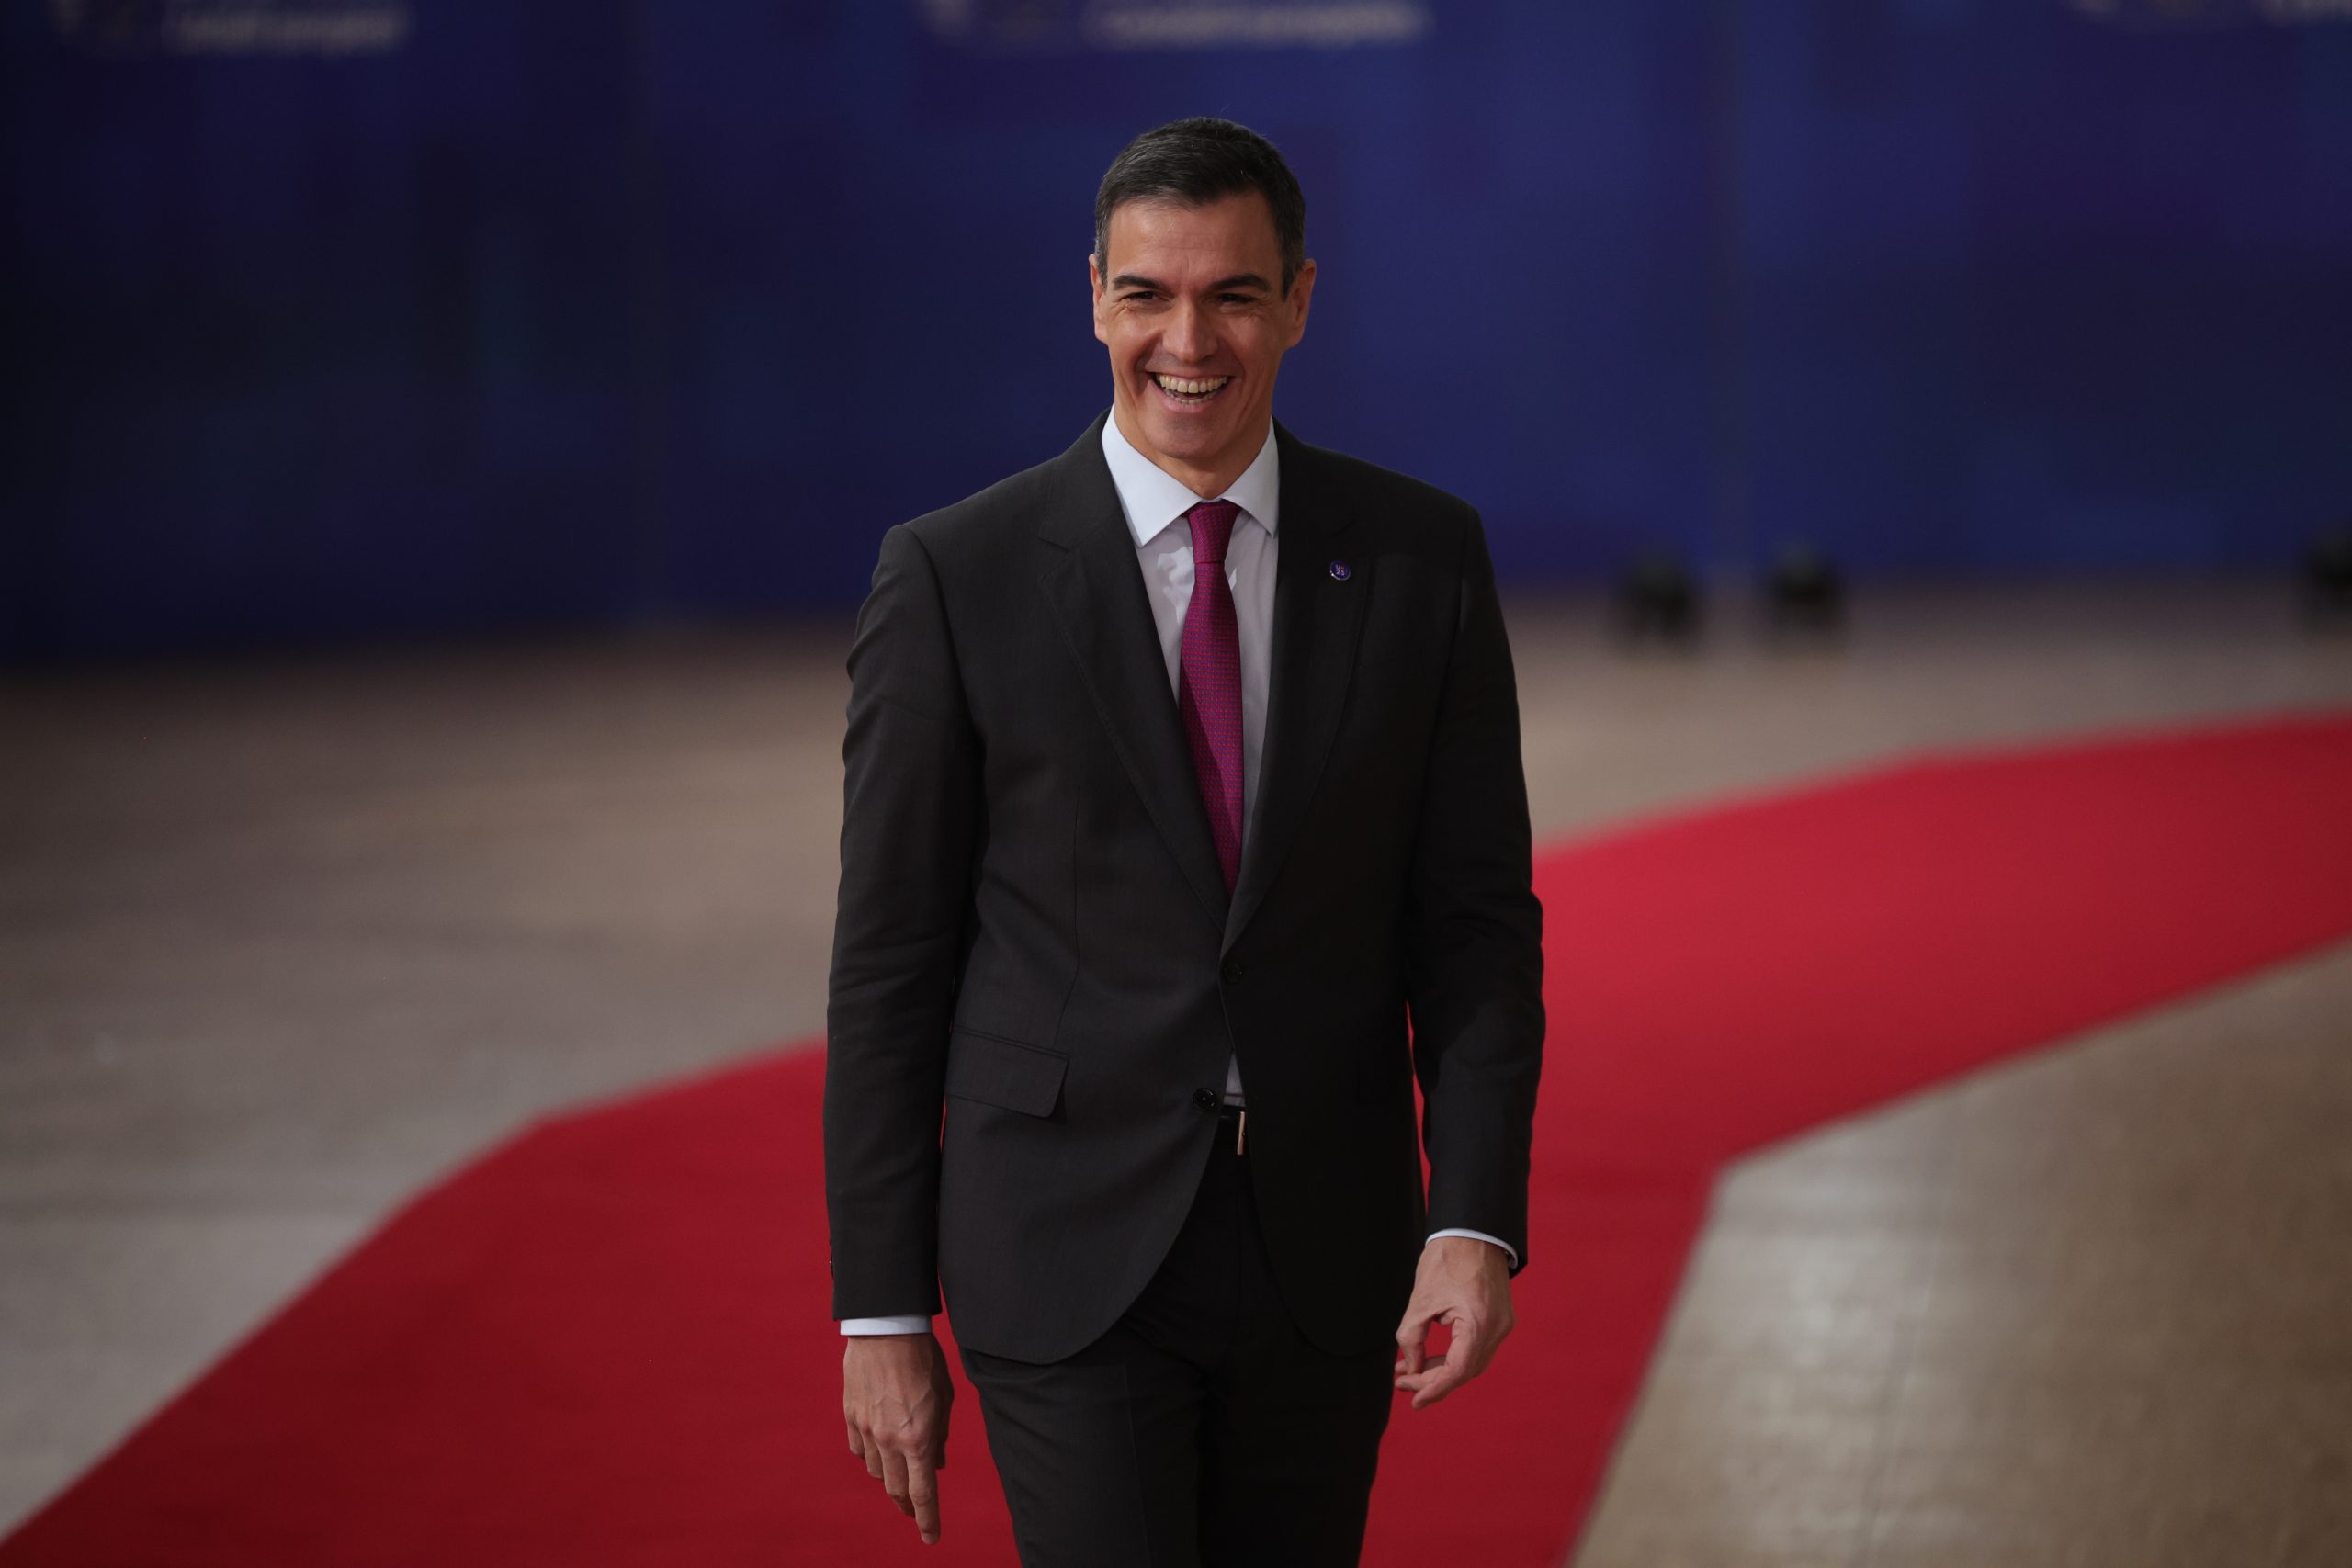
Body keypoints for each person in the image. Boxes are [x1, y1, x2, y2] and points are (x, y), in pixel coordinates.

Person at [824, 116, 1544, 1567]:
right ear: (1095, 296)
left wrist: (1471, 1220)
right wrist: (882, 1312)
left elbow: (1475, 930)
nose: (1188, 341)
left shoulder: (1421, 561)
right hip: (1063, 1253)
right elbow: (892, 962)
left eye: (1233, 295)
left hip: (1326, 1252)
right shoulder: (956, 576)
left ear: (1300, 301)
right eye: (1147, 294)